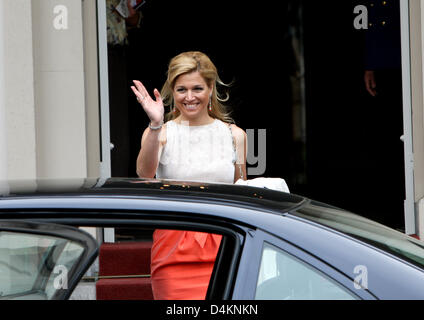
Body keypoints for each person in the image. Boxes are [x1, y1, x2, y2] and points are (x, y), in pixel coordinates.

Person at [131, 51, 247, 300]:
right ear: (172, 91)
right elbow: (144, 173)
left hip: (226, 242)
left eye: (197, 88)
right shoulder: (161, 133)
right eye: (181, 89)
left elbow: (242, 193)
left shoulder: (234, 135)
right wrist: (155, 124)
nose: (190, 97)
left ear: (211, 88)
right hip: (174, 244)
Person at [107, 0, 142, 177]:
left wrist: (132, 15)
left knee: (120, 115)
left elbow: (134, 21)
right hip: (98, 50)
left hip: (120, 49)